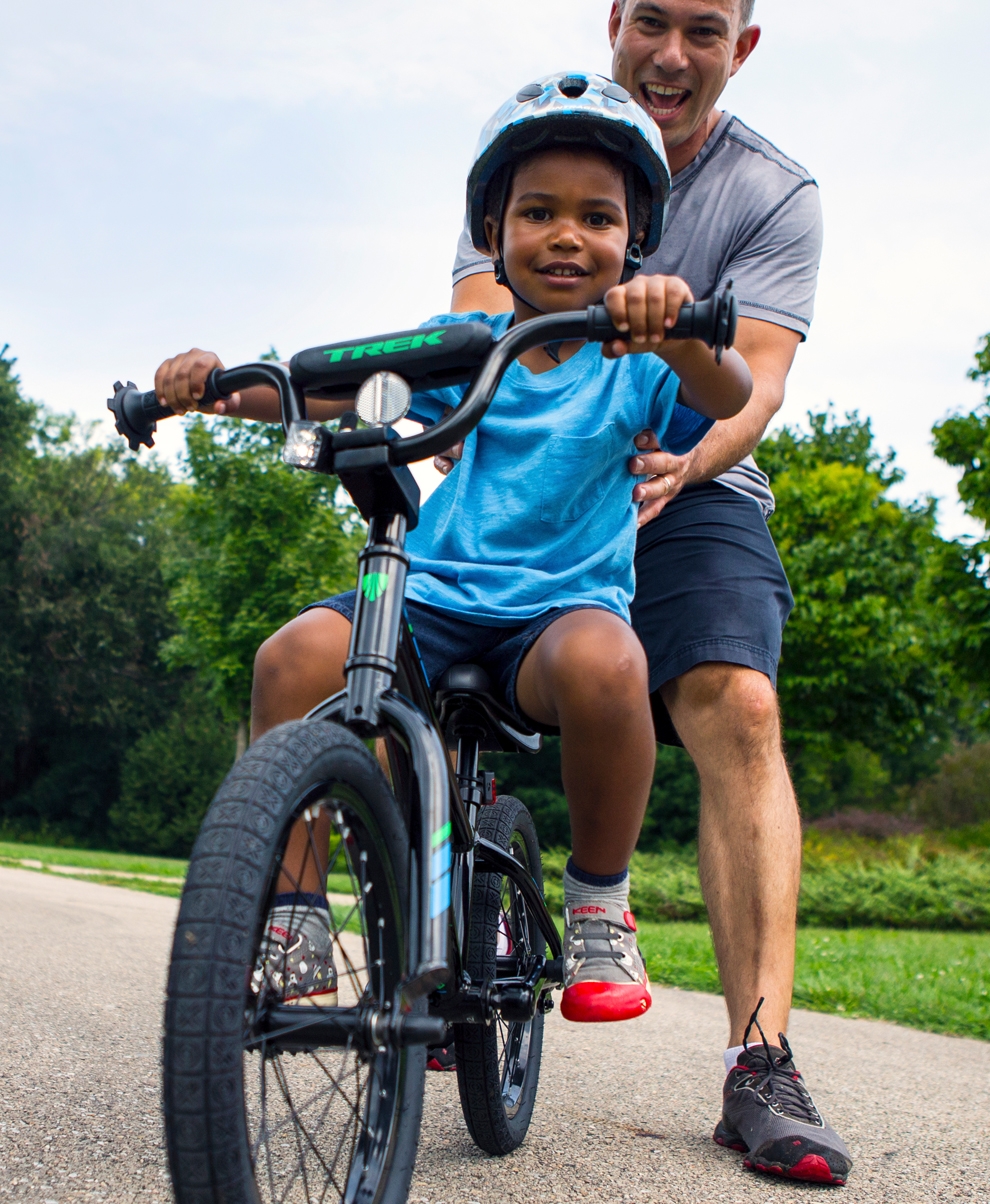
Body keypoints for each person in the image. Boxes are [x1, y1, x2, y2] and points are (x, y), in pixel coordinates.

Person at [154, 76, 751, 1024]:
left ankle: (598, 902)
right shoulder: (464, 346)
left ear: (634, 241)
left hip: (556, 621)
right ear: (493, 231)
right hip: (430, 602)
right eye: (538, 212)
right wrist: (216, 386)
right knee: (290, 657)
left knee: (612, 666)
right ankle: (297, 912)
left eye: (597, 217)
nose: (566, 235)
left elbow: (727, 396)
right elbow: (326, 386)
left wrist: (679, 330)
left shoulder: (640, 360)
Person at [443, 0, 853, 1188]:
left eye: (707, 31)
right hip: (540, 441)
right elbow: (478, 344)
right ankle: (449, 943)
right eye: (654, 21)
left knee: (735, 697)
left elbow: (753, 386)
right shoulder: (531, 144)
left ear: (744, 46)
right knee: (433, 635)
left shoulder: (777, 193)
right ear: (615, 20)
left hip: (691, 462)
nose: (674, 54)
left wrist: (683, 463)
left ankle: (759, 1060)